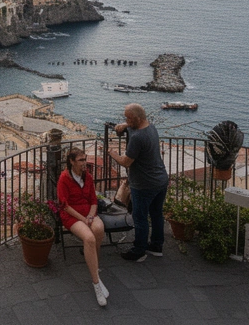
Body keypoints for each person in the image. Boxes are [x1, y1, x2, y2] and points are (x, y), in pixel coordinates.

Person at [115, 103, 169, 262]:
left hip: (144, 184)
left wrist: (111, 153)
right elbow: (134, 128)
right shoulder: (151, 128)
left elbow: (126, 162)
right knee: (156, 213)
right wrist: (125, 126)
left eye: (129, 118)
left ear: (138, 118)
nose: (126, 119)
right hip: (160, 180)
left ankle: (139, 250)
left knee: (140, 217)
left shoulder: (138, 137)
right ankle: (157, 246)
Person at [56, 147, 109, 306]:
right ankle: (96, 283)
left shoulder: (88, 178)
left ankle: (95, 266)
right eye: (81, 160)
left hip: (88, 213)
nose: (84, 163)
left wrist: (91, 216)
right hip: (72, 216)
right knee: (89, 238)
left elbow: (94, 200)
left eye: (85, 159)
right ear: (71, 162)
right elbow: (64, 205)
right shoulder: (64, 179)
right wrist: (83, 219)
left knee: (99, 229)